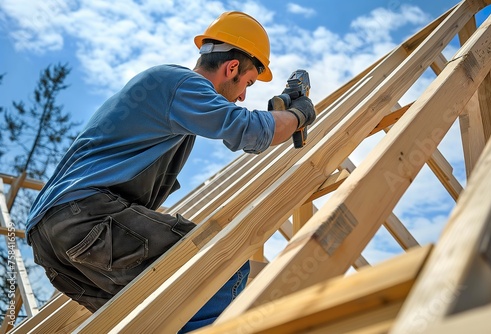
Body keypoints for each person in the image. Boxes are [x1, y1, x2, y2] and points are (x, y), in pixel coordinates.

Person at [26, 11, 316, 333]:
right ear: (231, 67)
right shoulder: (180, 83)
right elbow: (247, 130)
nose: (244, 95)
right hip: (87, 218)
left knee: (153, 314)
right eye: (247, 83)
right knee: (220, 268)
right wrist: (298, 114)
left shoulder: (166, 93)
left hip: (48, 241)